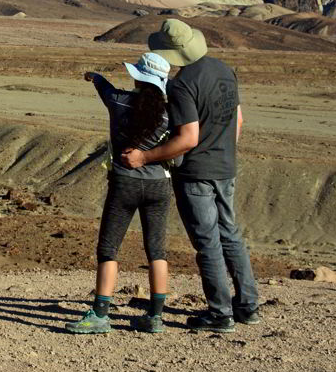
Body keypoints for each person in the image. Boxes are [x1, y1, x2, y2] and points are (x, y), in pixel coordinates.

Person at [122, 18, 259, 332]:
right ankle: (248, 306)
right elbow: (238, 120)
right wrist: (223, 150)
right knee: (230, 234)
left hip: (197, 172)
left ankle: (220, 313)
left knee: (207, 242)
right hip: (225, 166)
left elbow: (188, 138)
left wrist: (144, 156)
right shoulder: (224, 70)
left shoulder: (182, 85)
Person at [66, 51, 176, 334]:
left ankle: (101, 314)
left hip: (124, 183)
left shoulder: (119, 102)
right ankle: (155, 316)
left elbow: (105, 88)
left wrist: (96, 76)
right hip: (159, 184)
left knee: (109, 248)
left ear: (138, 78)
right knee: (157, 250)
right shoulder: (170, 113)